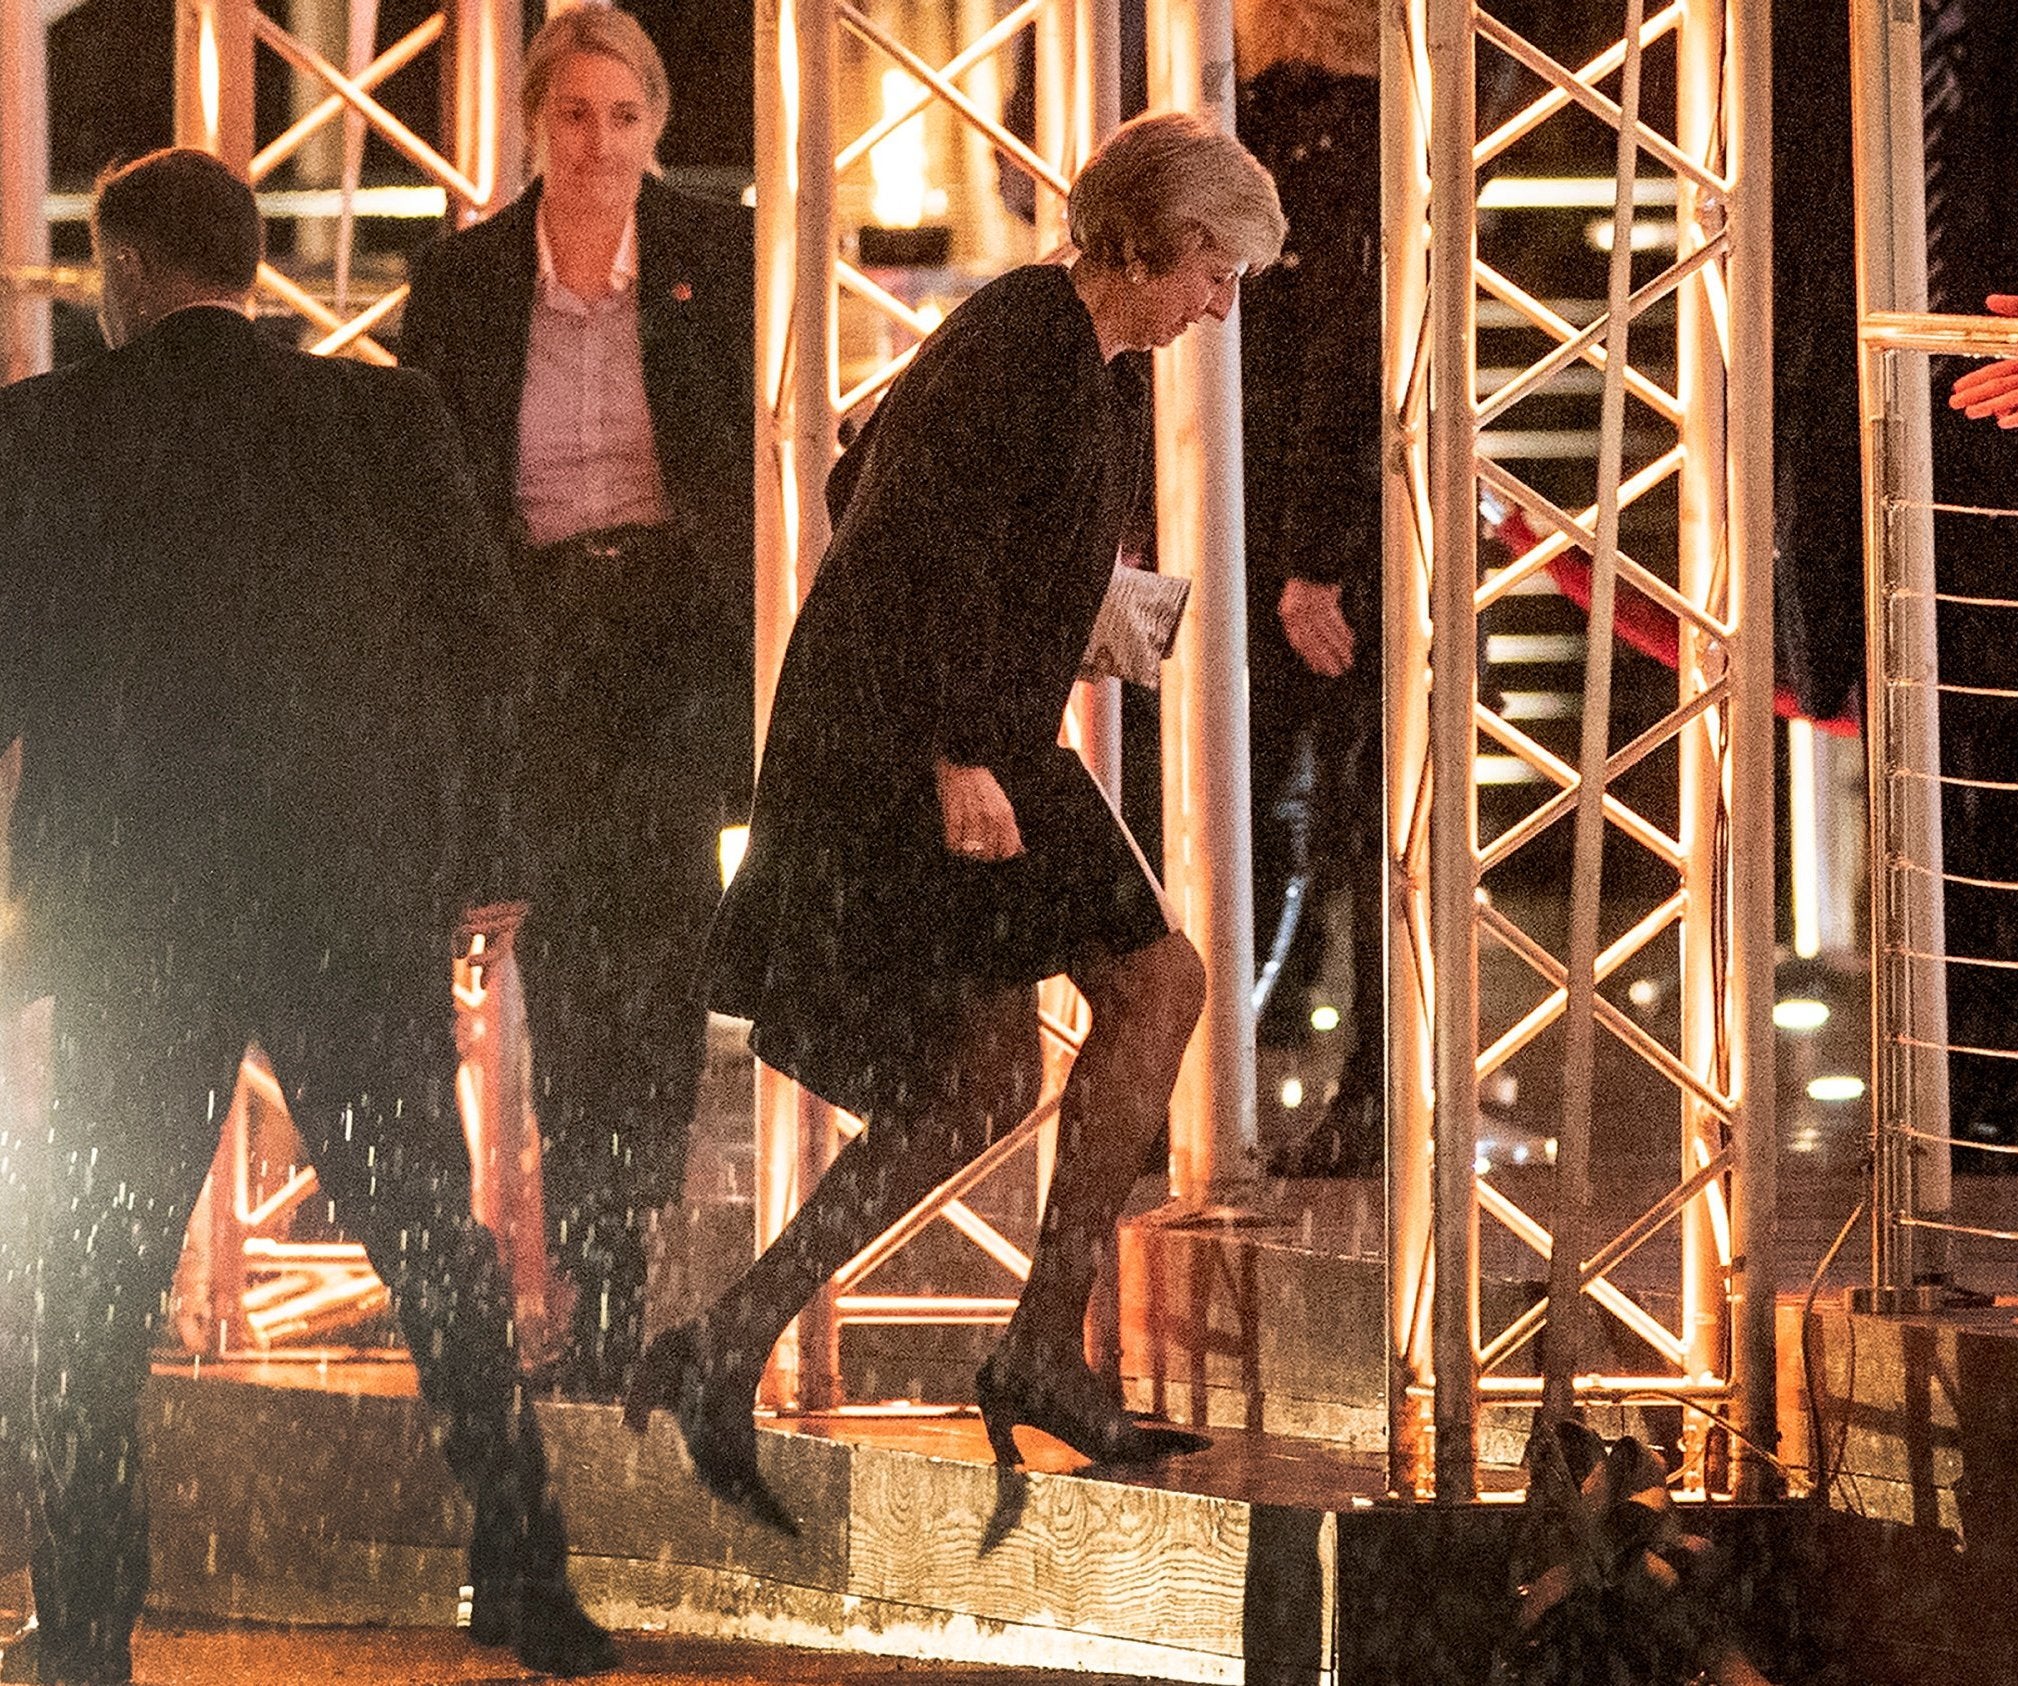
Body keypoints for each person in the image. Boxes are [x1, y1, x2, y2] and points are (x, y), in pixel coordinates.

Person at [0, 149, 611, 1683]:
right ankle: (525, 1580)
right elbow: (491, 647)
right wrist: (481, 851)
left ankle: (82, 1623)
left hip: (139, 908)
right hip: (345, 892)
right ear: (254, 267)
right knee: (430, 1239)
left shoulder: (47, 432)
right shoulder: (378, 418)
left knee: (92, 1274)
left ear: (121, 273)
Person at [628, 112, 1284, 1518]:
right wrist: (945, 749)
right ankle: (1032, 1347)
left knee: (990, 1072)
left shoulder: (1075, 361)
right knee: (1147, 989)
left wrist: (1067, 617)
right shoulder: (1023, 343)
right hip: (916, 744)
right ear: (1166, 244)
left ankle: (736, 1336)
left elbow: (861, 481)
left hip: (965, 729)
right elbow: (890, 536)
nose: (1219, 307)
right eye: (1217, 274)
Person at [400, 6, 757, 1399]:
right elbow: (435, 489)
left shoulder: (717, 253)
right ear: (533, 124)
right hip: (537, 635)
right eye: (573, 116)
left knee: (659, 947)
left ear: (656, 124)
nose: (599, 144)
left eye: (623, 117)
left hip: (671, 632)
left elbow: (761, 454)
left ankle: (618, 1270)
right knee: (561, 951)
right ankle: (583, 1275)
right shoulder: (468, 280)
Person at [1234, 0, 1387, 1178]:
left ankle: (1362, 1086)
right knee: (1339, 811)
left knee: (1338, 806)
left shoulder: (1333, 130)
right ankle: (1354, 1082)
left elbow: (1346, 343)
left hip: (1303, 517)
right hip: (1283, 509)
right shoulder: (1269, 122)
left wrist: (1311, 555)